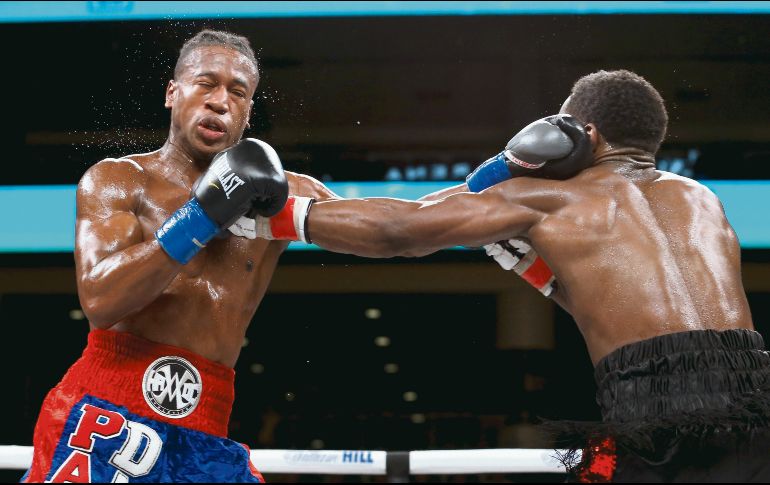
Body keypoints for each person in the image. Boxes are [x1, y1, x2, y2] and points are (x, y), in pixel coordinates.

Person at [261, 70, 770, 482]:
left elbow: (401, 229)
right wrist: (542, 273)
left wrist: (272, 215)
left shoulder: (551, 198)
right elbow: (656, 320)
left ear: (581, 133)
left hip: (648, 412)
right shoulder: (703, 200)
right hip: (755, 404)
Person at [24, 30, 336, 483]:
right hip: (106, 409)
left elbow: (389, 228)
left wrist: (472, 204)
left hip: (207, 426)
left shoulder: (282, 195)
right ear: (173, 93)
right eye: (205, 84)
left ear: (247, 113)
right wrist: (203, 216)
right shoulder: (118, 179)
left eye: (237, 92)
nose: (219, 101)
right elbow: (99, 300)